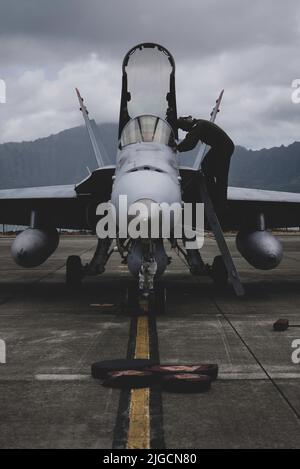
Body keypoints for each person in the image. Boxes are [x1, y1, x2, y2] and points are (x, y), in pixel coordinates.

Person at [176, 116, 234, 211]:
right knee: (219, 176)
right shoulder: (199, 124)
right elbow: (191, 138)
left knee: (211, 169)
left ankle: (216, 198)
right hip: (224, 146)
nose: (185, 130)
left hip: (223, 147)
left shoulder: (198, 126)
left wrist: (177, 148)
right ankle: (220, 202)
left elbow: (190, 142)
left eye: (184, 128)